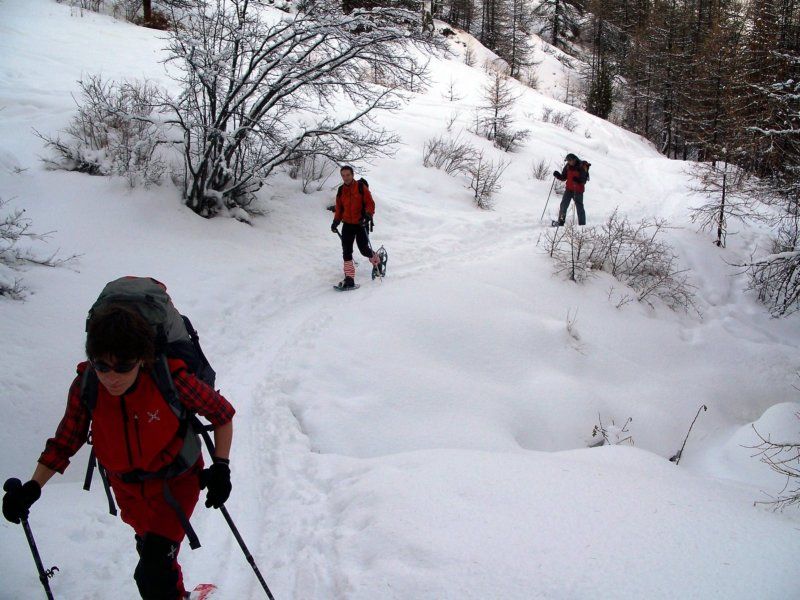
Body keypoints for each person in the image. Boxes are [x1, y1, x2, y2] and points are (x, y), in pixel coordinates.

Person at [2, 303, 235, 600]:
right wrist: (33, 487)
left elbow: (222, 415)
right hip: (127, 490)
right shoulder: (86, 385)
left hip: (175, 482)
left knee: (151, 570)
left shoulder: (171, 379)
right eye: (102, 365)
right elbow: (65, 441)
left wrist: (221, 467)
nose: (111, 377)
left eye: (123, 366)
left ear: (142, 359)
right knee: (154, 554)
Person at [331, 165, 381, 289]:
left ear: (352, 175)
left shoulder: (360, 187)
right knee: (346, 251)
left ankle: (377, 261)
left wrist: (368, 215)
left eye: (348, 175)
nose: (346, 177)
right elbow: (339, 208)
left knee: (364, 249)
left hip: (361, 224)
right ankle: (349, 278)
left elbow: (370, 203)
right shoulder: (341, 190)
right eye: (343, 175)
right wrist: (336, 221)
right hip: (347, 224)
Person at [552, 153, 589, 226]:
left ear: (574, 160)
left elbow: (584, 180)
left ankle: (582, 224)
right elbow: (563, 177)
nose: (568, 162)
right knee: (563, 205)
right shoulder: (568, 166)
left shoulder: (581, 166)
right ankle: (561, 222)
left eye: (569, 160)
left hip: (578, 190)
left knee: (579, 207)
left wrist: (578, 180)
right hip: (568, 189)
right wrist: (557, 175)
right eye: (567, 161)